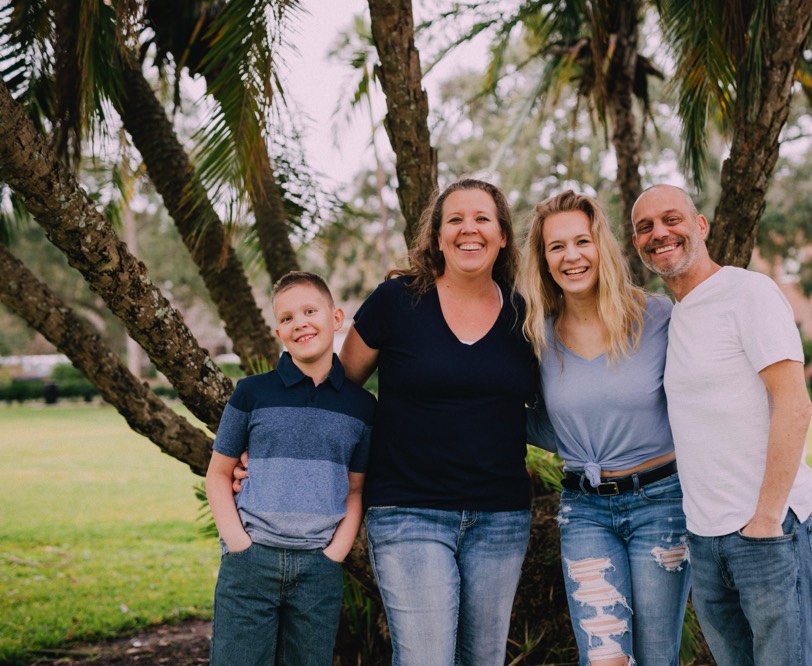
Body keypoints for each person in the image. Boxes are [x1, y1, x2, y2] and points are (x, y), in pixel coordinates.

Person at [337, 179, 536, 666]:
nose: (469, 229)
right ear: (438, 236)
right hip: (408, 511)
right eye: (456, 219)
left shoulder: (525, 314)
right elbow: (340, 390)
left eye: (482, 219)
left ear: (503, 236)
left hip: (501, 517)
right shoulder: (395, 301)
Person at [631, 184, 812, 665]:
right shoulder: (674, 318)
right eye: (645, 227)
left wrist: (766, 520)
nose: (659, 233)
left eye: (672, 219)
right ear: (636, 243)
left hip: (767, 534)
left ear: (700, 226)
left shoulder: (747, 292)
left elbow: (794, 405)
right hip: (704, 540)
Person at [519, 190, 691, 666]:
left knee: (656, 656)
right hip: (585, 511)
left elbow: (700, 399)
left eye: (582, 241)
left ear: (602, 247)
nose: (571, 256)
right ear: (544, 260)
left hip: (661, 505)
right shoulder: (537, 335)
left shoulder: (658, 317)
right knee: (604, 657)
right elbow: (532, 419)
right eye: (556, 246)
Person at [205, 271, 375, 665]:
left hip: (318, 569)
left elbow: (354, 490)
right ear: (279, 332)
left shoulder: (361, 406)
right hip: (251, 562)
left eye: (310, 311)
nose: (300, 323)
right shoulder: (251, 393)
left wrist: (334, 554)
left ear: (336, 318)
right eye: (287, 317)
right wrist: (238, 543)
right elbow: (218, 473)